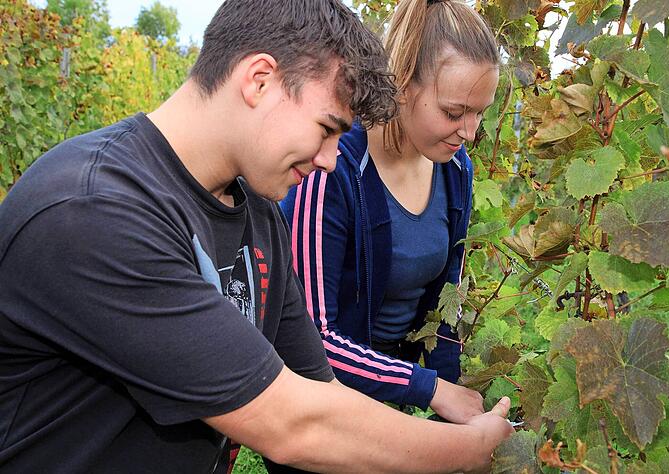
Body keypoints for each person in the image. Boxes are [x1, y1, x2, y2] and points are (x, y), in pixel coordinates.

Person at [0, 0, 513, 472]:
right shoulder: (97, 212)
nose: (332, 159)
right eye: (327, 128)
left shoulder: (257, 215)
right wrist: (466, 448)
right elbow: (290, 423)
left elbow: (318, 390)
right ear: (260, 80)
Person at [281, 0, 500, 423]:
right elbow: (310, 339)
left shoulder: (455, 169)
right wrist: (429, 389)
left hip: (398, 386)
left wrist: (449, 410)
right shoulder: (332, 171)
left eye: (480, 113)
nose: (469, 132)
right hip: (322, 399)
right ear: (402, 85)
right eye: (454, 112)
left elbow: (445, 303)